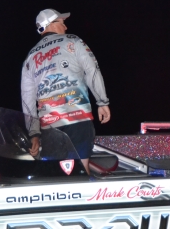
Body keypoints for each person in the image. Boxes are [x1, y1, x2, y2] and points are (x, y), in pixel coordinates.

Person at [21, 9, 110, 172]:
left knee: (56, 174)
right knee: (81, 170)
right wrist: (102, 101)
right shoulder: (73, 41)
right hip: (78, 119)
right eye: (62, 23)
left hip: (49, 128)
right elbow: (92, 70)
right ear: (50, 24)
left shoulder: (30, 57)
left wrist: (34, 134)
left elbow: (27, 100)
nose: (66, 27)